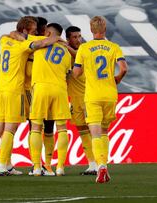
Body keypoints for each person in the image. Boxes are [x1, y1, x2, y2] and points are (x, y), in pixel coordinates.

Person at [0, 16, 61, 176]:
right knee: (11, 129)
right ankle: (2, 166)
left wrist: (19, 34)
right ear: (25, 31)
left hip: (0, 90)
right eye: (33, 30)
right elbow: (42, 43)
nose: (35, 33)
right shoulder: (23, 45)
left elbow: (11, 34)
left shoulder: (4, 40)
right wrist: (55, 38)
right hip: (16, 91)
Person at [73, 16, 128, 183]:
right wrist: (118, 78)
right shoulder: (114, 47)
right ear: (105, 29)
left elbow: (76, 73)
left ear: (91, 30)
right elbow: (124, 68)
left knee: (95, 134)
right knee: (105, 132)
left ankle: (101, 166)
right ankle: (104, 166)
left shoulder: (84, 48)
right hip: (110, 94)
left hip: (93, 96)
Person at [28, 23, 72, 176]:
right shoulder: (66, 52)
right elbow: (68, 73)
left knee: (36, 128)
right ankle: (58, 167)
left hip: (41, 87)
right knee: (61, 129)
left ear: (48, 32)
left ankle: (36, 167)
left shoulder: (40, 43)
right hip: (60, 89)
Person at [65, 26, 97, 175]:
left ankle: (100, 162)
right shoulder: (64, 53)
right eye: (75, 37)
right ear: (68, 39)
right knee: (82, 131)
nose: (78, 39)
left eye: (79, 36)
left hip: (88, 97)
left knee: (94, 131)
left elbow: (77, 54)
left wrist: (64, 45)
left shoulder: (84, 50)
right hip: (75, 99)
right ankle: (92, 164)